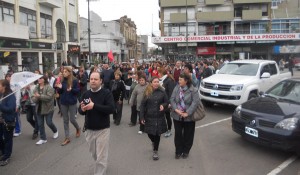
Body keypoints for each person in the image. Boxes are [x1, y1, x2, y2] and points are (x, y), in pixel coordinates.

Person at [78, 71, 115, 175]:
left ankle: (100, 171)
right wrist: (83, 110)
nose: (93, 81)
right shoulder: (86, 94)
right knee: (95, 155)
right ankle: (102, 165)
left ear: (101, 81)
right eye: (91, 79)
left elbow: (111, 109)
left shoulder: (106, 93)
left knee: (101, 156)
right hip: (89, 130)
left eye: (96, 79)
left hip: (103, 130)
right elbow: (80, 111)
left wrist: (94, 106)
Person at [170, 73, 200, 159]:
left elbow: (195, 103)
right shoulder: (176, 88)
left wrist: (187, 113)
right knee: (178, 134)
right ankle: (178, 151)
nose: (178, 81)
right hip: (177, 115)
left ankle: (186, 151)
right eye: (178, 79)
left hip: (189, 117)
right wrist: (176, 109)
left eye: (180, 80)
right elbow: (172, 99)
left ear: (186, 81)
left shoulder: (193, 90)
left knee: (188, 135)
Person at [140, 77, 168, 161]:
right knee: (149, 133)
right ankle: (153, 142)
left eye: (157, 82)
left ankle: (155, 151)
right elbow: (142, 105)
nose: (156, 83)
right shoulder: (147, 91)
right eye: (154, 82)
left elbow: (167, 102)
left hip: (159, 116)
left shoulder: (162, 91)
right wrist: (141, 117)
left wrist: (163, 105)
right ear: (151, 83)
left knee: (157, 134)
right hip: (149, 116)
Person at [56, 67, 81, 146]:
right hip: (63, 103)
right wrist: (59, 88)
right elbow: (60, 92)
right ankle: (67, 138)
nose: (64, 73)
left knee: (72, 119)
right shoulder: (62, 80)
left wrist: (72, 90)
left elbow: (77, 91)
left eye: (65, 71)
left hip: (72, 102)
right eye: (63, 72)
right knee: (65, 120)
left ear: (69, 72)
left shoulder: (74, 80)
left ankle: (78, 128)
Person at [32, 75, 58, 145]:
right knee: (40, 124)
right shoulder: (36, 87)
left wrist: (39, 96)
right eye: (38, 78)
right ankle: (43, 138)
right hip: (39, 108)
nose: (39, 79)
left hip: (48, 108)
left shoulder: (49, 87)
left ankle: (55, 131)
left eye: (41, 78)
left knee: (49, 122)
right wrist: (35, 98)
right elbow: (33, 97)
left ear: (44, 79)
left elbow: (49, 97)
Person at [0, 79, 16, 166]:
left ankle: (7, 156)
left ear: (4, 86)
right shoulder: (1, 94)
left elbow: (10, 109)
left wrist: (0, 105)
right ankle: (3, 152)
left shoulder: (10, 96)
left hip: (7, 121)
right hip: (1, 120)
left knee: (8, 139)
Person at [158, 68, 176, 138]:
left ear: (162, 73)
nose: (158, 74)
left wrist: (169, 103)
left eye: (159, 73)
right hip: (161, 101)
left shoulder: (169, 80)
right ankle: (163, 129)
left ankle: (169, 129)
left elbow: (171, 93)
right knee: (162, 115)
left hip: (167, 101)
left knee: (167, 116)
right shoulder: (161, 80)